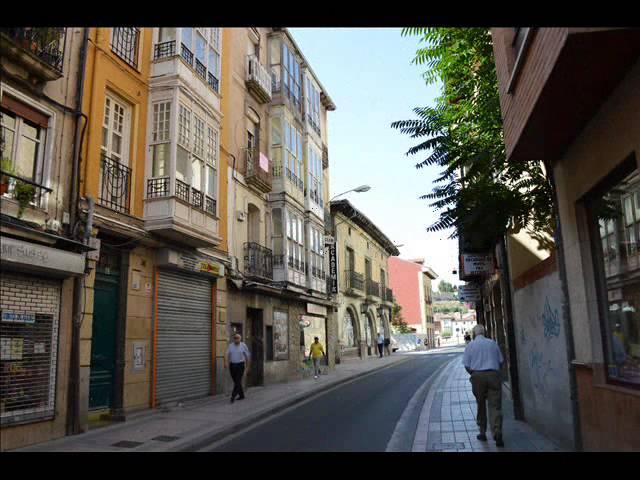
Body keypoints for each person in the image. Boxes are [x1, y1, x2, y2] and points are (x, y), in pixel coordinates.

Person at [463, 324, 505, 447]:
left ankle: (482, 432)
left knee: (480, 404)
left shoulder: (470, 345)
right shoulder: (492, 343)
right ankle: (497, 432)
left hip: (478, 376)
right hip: (493, 375)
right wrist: (496, 373)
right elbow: (501, 361)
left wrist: (473, 373)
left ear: (474, 334)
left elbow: (466, 365)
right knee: (495, 405)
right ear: (484, 332)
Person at [224, 333, 251, 403]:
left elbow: (247, 356)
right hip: (232, 365)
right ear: (234, 339)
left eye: (238, 338)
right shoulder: (230, 346)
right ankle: (241, 395)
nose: (236, 339)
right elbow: (226, 354)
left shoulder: (243, 345)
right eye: (235, 338)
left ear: (240, 339)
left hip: (240, 365)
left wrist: (247, 367)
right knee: (236, 381)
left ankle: (233, 396)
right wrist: (226, 362)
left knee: (238, 381)